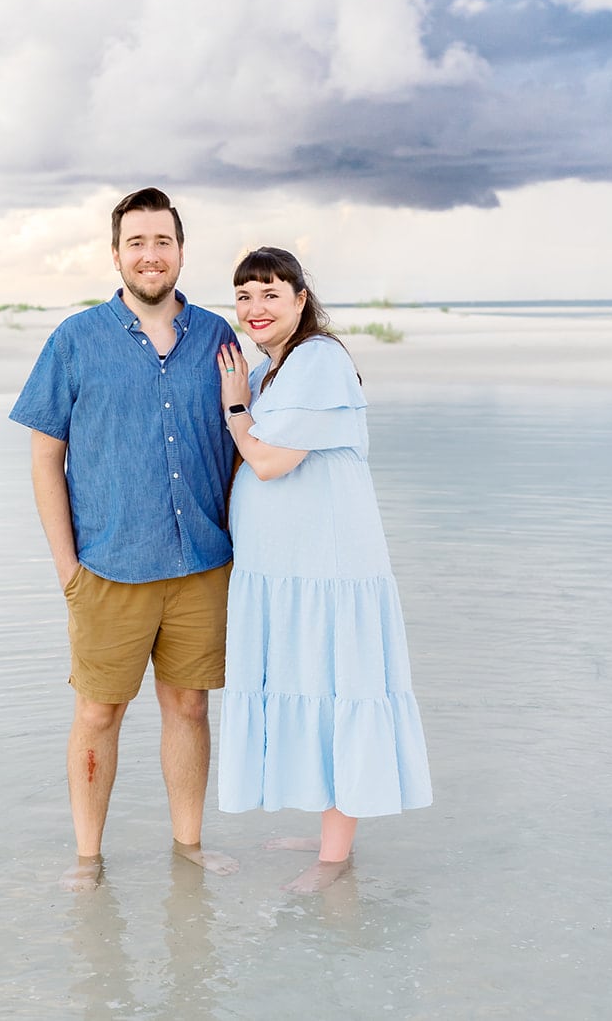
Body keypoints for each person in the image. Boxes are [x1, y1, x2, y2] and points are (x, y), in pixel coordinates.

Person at [10, 187, 241, 892]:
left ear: (180, 250)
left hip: (202, 562)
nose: (150, 254)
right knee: (98, 710)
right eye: (136, 242)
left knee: (190, 706)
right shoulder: (75, 341)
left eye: (162, 241)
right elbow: (45, 454)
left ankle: (188, 847)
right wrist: (66, 568)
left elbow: (247, 439)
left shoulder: (219, 339)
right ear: (116, 254)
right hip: (107, 566)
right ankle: (89, 859)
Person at [215, 246, 432, 893]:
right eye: (244, 295)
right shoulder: (272, 372)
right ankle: (331, 828)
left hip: (327, 571)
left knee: (337, 688)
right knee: (310, 682)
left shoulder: (319, 360)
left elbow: (269, 461)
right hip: (288, 571)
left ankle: (334, 861)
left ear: (300, 299)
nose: (255, 308)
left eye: (270, 293)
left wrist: (233, 407)